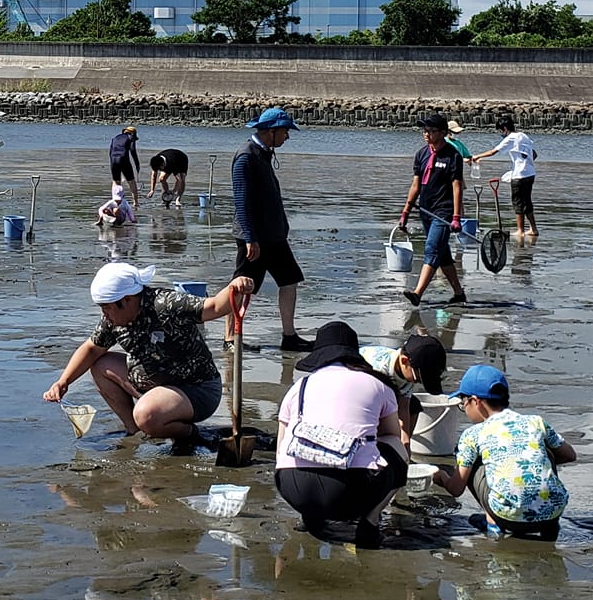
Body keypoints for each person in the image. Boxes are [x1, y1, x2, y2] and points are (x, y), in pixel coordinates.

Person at [43, 262, 248, 446]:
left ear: (128, 300)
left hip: (195, 390)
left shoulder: (165, 304)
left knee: (146, 414)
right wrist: (63, 382)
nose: (104, 314)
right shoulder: (112, 321)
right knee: (99, 364)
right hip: (152, 385)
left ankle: (188, 433)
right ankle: (135, 430)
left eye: (107, 308)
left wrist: (235, 287)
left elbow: (213, 307)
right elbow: (91, 349)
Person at [274, 321, 408, 549]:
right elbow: (392, 436)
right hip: (349, 491)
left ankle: (310, 516)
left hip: (292, 487)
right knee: (397, 448)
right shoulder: (378, 385)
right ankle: (370, 521)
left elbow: (281, 447)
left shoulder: (299, 386)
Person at [436, 364, 576, 541]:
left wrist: (441, 476)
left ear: (475, 402)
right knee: (545, 451)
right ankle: (549, 527)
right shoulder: (535, 422)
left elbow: (456, 489)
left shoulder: (473, 434)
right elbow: (570, 455)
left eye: (464, 404)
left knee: (474, 461)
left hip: (507, 516)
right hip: (553, 512)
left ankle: (493, 523)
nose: (465, 410)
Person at [233, 105, 308, 351]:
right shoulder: (246, 156)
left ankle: (289, 336)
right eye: (285, 132)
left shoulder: (263, 152)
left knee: (290, 280)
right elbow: (241, 200)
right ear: (271, 131)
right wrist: (249, 238)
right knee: (241, 287)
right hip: (254, 238)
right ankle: (231, 338)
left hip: (273, 237)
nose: (287, 137)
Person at [396, 113, 467, 305]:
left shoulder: (453, 156)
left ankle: (418, 293)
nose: (426, 134)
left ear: (443, 133)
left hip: (444, 212)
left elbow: (457, 186)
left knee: (432, 249)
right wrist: (405, 213)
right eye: (424, 130)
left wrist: (456, 216)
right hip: (426, 210)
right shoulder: (421, 154)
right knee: (442, 254)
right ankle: (459, 294)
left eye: (430, 131)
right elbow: (415, 186)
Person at [357, 333, 448, 456]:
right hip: (361, 395)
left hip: (388, 393)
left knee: (414, 406)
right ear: (404, 361)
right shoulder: (379, 369)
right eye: (418, 379)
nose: (417, 382)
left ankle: (398, 454)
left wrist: (405, 441)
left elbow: (404, 405)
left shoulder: (407, 370)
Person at [469, 114, 538, 240]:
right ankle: (533, 229)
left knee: (517, 202)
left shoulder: (510, 138)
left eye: (501, 131)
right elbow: (534, 154)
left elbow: (493, 152)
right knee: (527, 201)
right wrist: (524, 163)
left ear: (505, 128)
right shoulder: (524, 136)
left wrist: (477, 156)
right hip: (530, 173)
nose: (501, 133)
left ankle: (520, 231)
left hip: (519, 176)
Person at [108, 124, 141, 209]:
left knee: (116, 181)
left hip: (113, 159)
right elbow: (133, 150)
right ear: (133, 133)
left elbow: (110, 151)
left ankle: (115, 201)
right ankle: (135, 202)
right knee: (131, 181)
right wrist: (137, 164)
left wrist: (112, 161)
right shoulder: (130, 137)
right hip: (123, 159)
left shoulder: (115, 138)